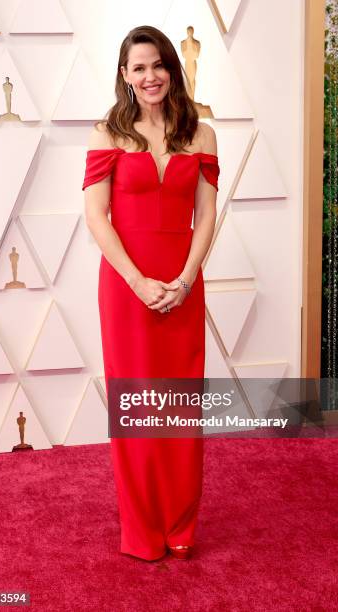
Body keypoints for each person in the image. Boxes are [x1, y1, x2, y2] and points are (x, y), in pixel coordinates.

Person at [82, 25, 220, 561]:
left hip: (183, 280)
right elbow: (96, 217)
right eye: (138, 67)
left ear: (171, 69)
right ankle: (141, 530)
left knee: (182, 407)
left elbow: (206, 214)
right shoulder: (106, 134)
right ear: (124, 75)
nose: (150, 76)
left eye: (158, 65)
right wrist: (138, 282)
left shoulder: (202, 134)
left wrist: (186, 278)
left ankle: (181, 524)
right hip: (126, 284)